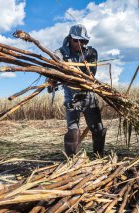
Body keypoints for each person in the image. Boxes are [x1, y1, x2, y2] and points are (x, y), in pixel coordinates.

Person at [49, 24, 106, 157]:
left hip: (88, 98)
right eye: (76, 40)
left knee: (97, 128)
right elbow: (52, 67)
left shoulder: (91, 53)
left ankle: (99, 156)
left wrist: (72, 75)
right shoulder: (60, 53)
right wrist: (52, 79)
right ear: (69, 39)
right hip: (71, 99)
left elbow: (90, 74)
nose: (79, 44)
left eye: (83, 41)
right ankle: (72, 160)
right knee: (73, 131)